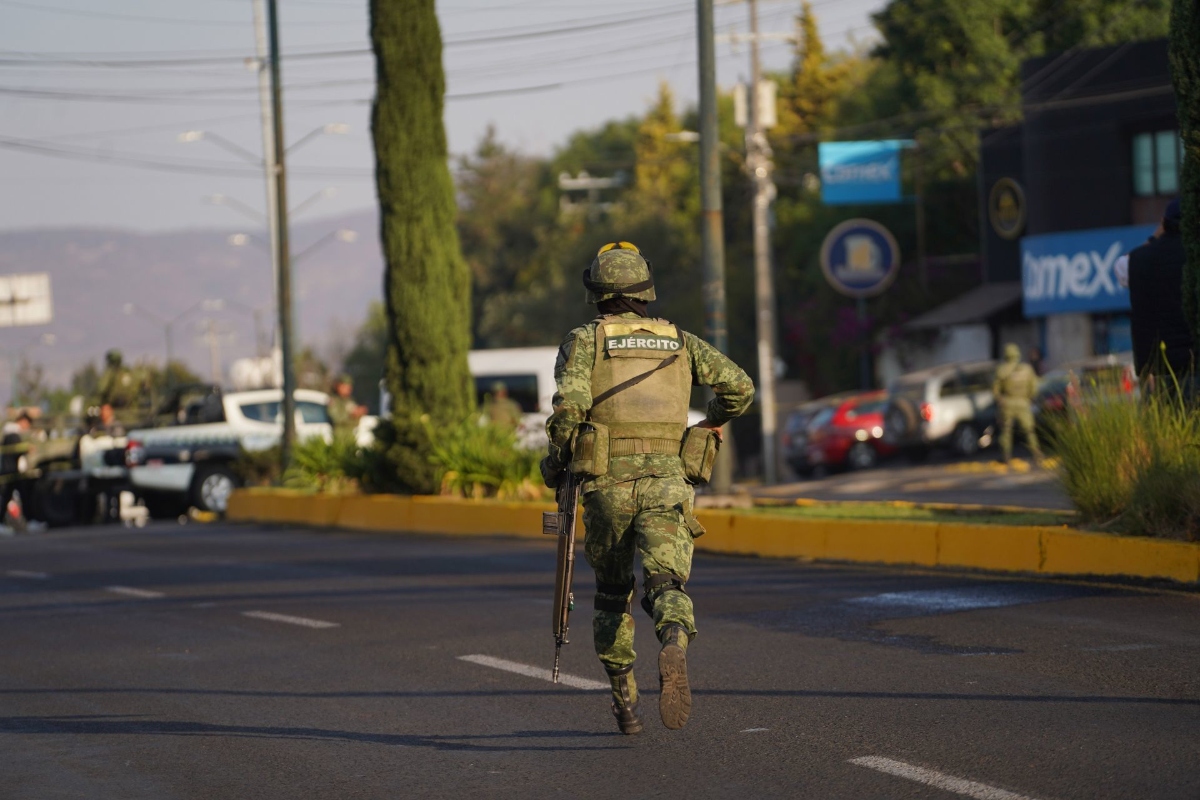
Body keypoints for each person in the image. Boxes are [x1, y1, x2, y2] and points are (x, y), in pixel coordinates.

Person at [540, 241, 754, 735]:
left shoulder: (585, 340)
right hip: (668, 482)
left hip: (607, 487)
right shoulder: (681, 340)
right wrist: (709, 423)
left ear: (597, 291)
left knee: (613, 594)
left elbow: (568, 412)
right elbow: (740, 388)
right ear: (645, 289)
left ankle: (625, 701)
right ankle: (673, 639)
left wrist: (555, 465)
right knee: (666, 583)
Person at [1128, 199, 1194, 397]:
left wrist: (1155, 237)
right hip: (1194, 366)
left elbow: (1120, 266)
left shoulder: (1139, 259)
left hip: (1156, 374)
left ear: (1164, 223)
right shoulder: (1192, 255)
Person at [993, 342, 1042, 464]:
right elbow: (1034, 387)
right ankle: (1037, 453)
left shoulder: (1001, 370)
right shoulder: (1027, 369)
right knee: (1029, 430)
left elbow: (995, 391)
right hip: (1023, 403)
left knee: (1006, 431)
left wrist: (1000, 400)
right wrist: (1029, 399)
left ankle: (1006, 455)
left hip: (1007, 403)